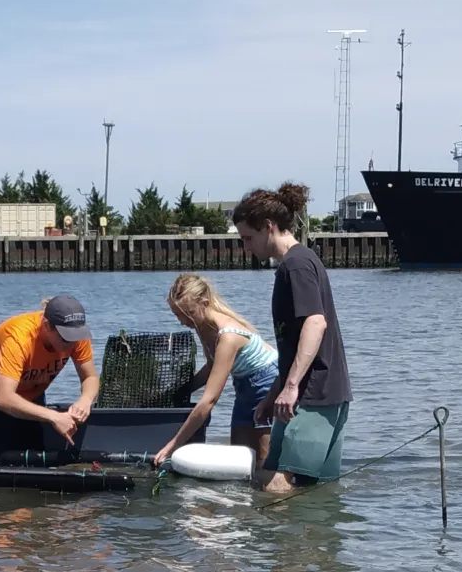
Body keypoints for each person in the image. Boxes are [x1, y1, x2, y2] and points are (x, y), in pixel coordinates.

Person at [232, 182, 350, 494]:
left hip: (312, 395)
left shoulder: (296, 265)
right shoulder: (300, 261)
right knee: (312, 488)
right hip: (319, 393)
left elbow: (315, 323)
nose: (246, 247)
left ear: (268, 227)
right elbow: (293, 343)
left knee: (276, 486)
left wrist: (292, 386)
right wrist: (275, 392)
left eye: (248, 237)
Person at [150, 272, 280, 472]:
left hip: (267, 383)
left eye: (187, 313)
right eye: (177, 314)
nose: (182, 321)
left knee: (265, 463)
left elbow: (209, 400)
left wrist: (173, 445)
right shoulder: (201, 325)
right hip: (243, 386)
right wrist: (184, 390)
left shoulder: (228, 336)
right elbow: (212, 365)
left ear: (204, 303)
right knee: (239, 458)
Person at [0, 293, 97, 465]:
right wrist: (54, 417)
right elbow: (4, 398)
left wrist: (85, 400)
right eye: (65, 338)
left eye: (75, 337)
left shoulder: (75, 335)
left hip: (32, 387)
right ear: (47, 326)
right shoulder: (19, 339)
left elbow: (90, 377)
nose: (72, 344)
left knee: (35, 453)